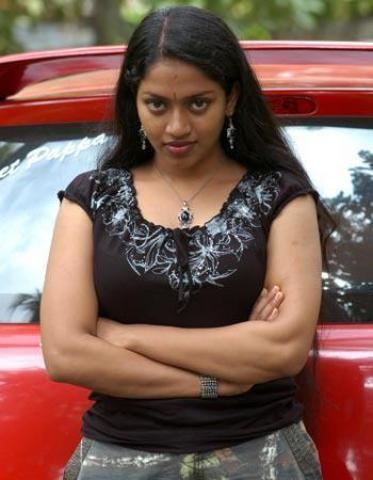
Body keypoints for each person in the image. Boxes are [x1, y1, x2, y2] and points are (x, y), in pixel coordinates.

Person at [40, 5, 331, 479]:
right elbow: (66, 354)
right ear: (135, 100)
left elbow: (282, 351)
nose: (177, 127)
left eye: (198, 103)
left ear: (231, 98)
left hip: (260, 455)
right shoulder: (91, 198)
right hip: (120, 459)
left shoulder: (279, 197)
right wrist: (217, 382)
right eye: (158, 104)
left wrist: (124, 336)